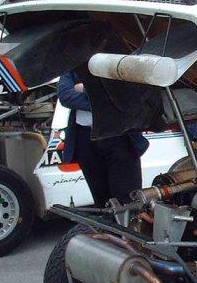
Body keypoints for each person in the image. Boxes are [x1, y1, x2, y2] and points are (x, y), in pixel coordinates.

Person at [57, 71, 149, 207]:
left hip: (119, 136)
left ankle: (128, 227)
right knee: (102, 200)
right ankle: (108, 227)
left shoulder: (117, 60)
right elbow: (65, 96)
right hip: (86, 138)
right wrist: (105, 103)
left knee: (128, 199)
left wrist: (84, 89)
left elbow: (125, 94)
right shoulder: (73, 67)